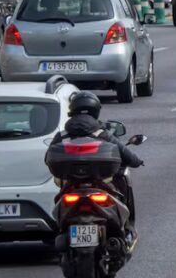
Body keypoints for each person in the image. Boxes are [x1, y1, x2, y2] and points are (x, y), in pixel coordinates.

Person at [50, 91, 143, 233]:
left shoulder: (61, 135)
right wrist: (136, 161)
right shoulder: (101, 133)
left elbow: (47, 158)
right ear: (96, 111)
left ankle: (61, 229)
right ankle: (127, 226)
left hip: (71, 185)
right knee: (122, 175)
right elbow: (124, 153)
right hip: (99, 182)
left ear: (72, 110)